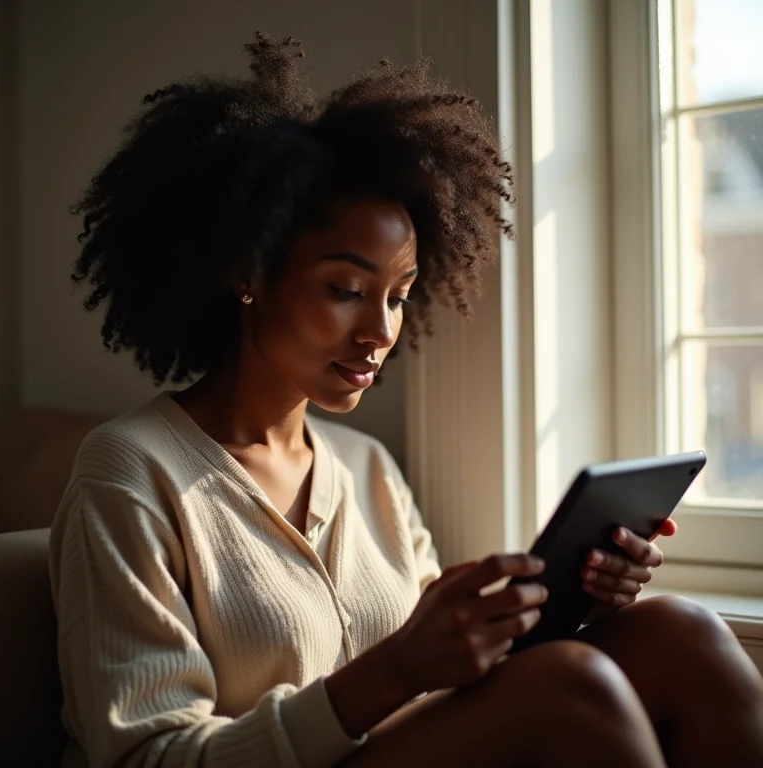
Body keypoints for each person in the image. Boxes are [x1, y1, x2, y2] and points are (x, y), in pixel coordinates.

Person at [49, 31, 763, 768]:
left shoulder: (367, 468)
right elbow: (143, 757)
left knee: (684, 634)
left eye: (399, 296)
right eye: (346, 291)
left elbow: (447, 693)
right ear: (245, 270)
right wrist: (394, 669)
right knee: (570, 688)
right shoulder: (129, 470)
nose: (380, 331)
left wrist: (574, 601)